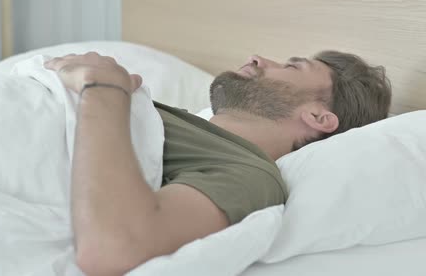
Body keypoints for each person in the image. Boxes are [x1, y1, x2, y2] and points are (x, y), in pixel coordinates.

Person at [44, 50, 392, 275]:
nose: (259, 58)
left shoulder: (250, 174)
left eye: (290, 67)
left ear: (318, 116)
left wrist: (104, 87)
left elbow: (115, 248)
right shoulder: (178, 123)